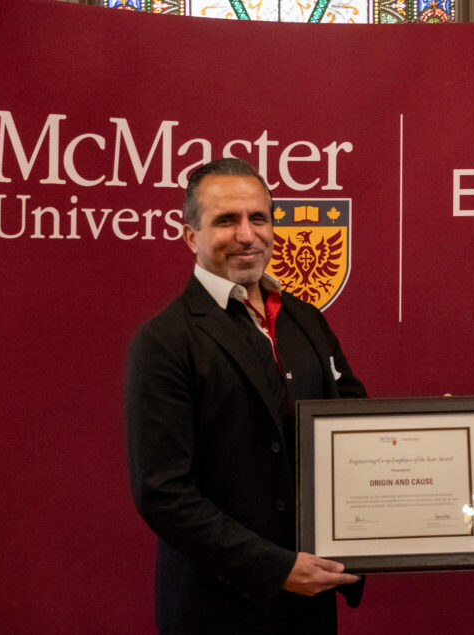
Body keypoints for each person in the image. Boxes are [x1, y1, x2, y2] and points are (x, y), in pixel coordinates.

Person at [125, 157, 365, 634]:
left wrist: (431, 436)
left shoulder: (305, 320)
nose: (247, 234)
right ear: (192, 235)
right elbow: (163, 493)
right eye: (226, 220)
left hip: (309, 602)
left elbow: (353, 427)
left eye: (258, 218)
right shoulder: (163, 341)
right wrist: (275, 568)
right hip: (216, 608)